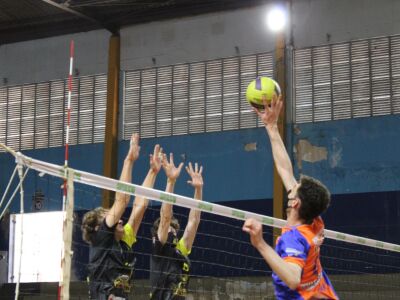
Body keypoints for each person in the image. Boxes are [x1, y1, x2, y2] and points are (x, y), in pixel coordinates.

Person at [242, 95, 338, 300]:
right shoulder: (315, 221)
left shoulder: (293, 237)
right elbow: (285, 170)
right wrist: (271, 126)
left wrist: (259, 243)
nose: (291, 185)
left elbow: (293, 279)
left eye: (294, 189)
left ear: (295, 203)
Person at [81, 134, 163, 300]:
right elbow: (122, 201)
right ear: (99, 229)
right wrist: (129, 161)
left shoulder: (124, 239)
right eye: (110, 217)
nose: (119, 219)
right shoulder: (102, 239)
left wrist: (153, 172)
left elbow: (140, 205)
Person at [150, 155, 203, 300]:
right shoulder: (159, 246)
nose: (172, 230)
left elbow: (194, 221)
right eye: (168, 227)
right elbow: (165, 216)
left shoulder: (180, 249)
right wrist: (171, 181)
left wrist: (198, 190)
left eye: (174, 228)